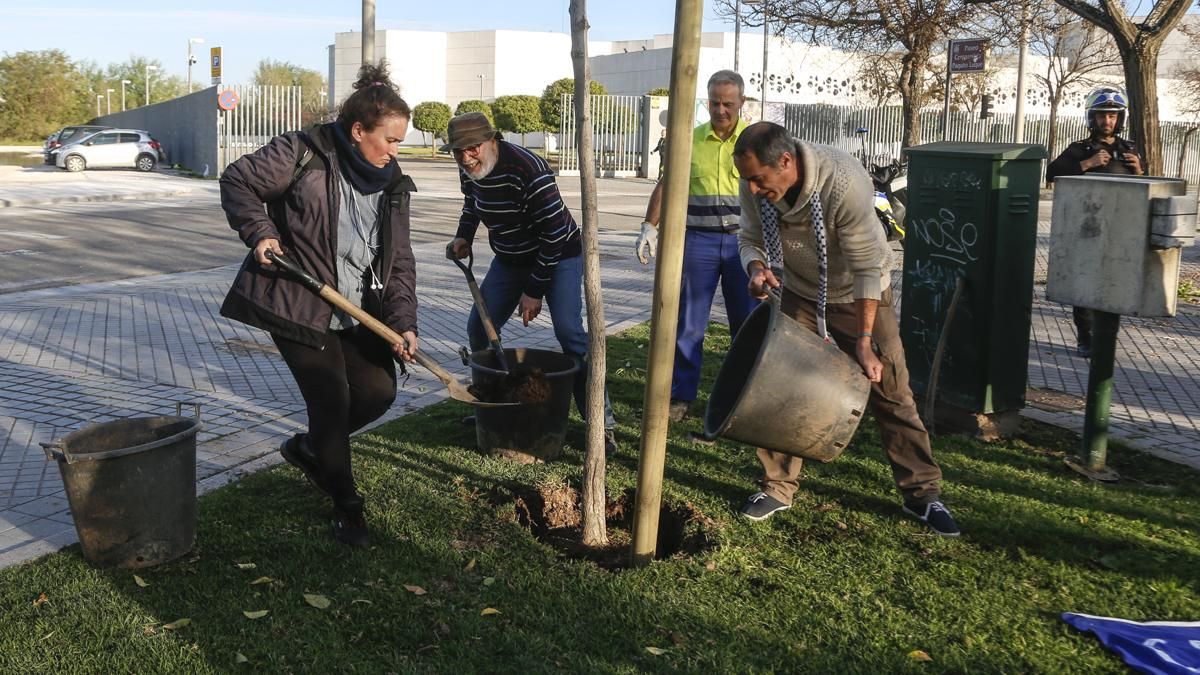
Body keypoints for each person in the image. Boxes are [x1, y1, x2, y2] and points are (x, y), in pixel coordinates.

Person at [219, 62, 419, 548]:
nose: (397, 150)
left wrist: (403, 323)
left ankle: (311, 450)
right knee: (331, 402)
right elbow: (238, 180)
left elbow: (399, 260)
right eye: (390, 139)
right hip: (296, 299)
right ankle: (348, 508)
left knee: (377, 394)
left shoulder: (392, 184)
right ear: (358, 130)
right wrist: (261, 232)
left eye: (400, 141)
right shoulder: (303, 152)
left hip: (354, 308)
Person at [731, 121, 960, 537]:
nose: (751, 188)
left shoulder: (842, 179)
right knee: (781, 388)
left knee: (890, 390)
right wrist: (757, 267)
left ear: (786, 161)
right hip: (799, 290)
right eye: (746, 179)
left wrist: (866, 342)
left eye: (758, 179)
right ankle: (778, 486)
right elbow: (750, 238)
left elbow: (867, 267)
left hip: (862, 293)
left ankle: (922, 495)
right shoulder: (757, 187)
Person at [443, 112, 618, 455]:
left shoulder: (528, 170)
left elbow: (554, 235)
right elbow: (471, 205)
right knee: (479, 328)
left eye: (473, 148)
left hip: (560, 256)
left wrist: (534, 290)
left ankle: (602, 424)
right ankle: (493, 406)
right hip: (510, 259)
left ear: (492, 140)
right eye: (457, 151)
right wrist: (463, 236)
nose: (465, 158)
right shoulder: (469, 171)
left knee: (569, 333)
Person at [634, 70, 759, 423]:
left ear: (742, 103)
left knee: (747, 325)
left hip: (742, 245)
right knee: (689, 324)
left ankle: (743, 399)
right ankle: (680, 397)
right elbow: (667, 183)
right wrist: (649, 226)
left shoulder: (753, 142)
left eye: (728, 104)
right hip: (698, 243)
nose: (721, 110)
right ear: (707, 101)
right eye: (715, 103)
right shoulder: (689, 141)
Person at [1046, 85, 1145, 358]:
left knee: (1115, 285)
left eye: (1112, 116)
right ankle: (1085, 338)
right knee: (1085, 286)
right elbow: (1052, 173)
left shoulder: (1130, 149)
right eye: (1102, 115)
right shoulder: (1080, 149)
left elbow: (1144, 188)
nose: (1107, 121)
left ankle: (1108, 338)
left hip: (1120, 231)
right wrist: (1085, 164)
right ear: (1092, 117)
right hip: (1086, 230)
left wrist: (1139, 171)